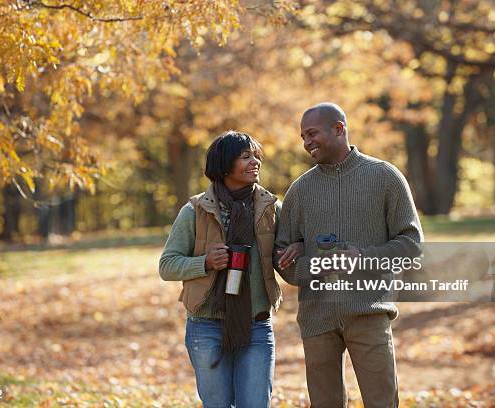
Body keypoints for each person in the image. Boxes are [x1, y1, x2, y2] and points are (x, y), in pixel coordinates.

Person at [275, 103, 424, 408]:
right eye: (303, 136)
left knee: (382, 402)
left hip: (368, 312)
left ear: (339, 129)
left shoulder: (385, 177)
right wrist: (314, 264)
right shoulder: (299, 191)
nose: (306, 143)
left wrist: (364, 257)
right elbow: (282, 256)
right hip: (317, 318)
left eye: (312, 133)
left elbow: (411, 244)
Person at [159, 130, 302, 408]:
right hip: (206, 327)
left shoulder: (271, 209)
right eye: (245, 156)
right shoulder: (195, 211)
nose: (255, 162)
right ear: (224, 165)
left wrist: (297, 250)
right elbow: (167, 265)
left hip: (257, 325)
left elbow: (289, 250)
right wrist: (205, 262)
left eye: (256, 156)